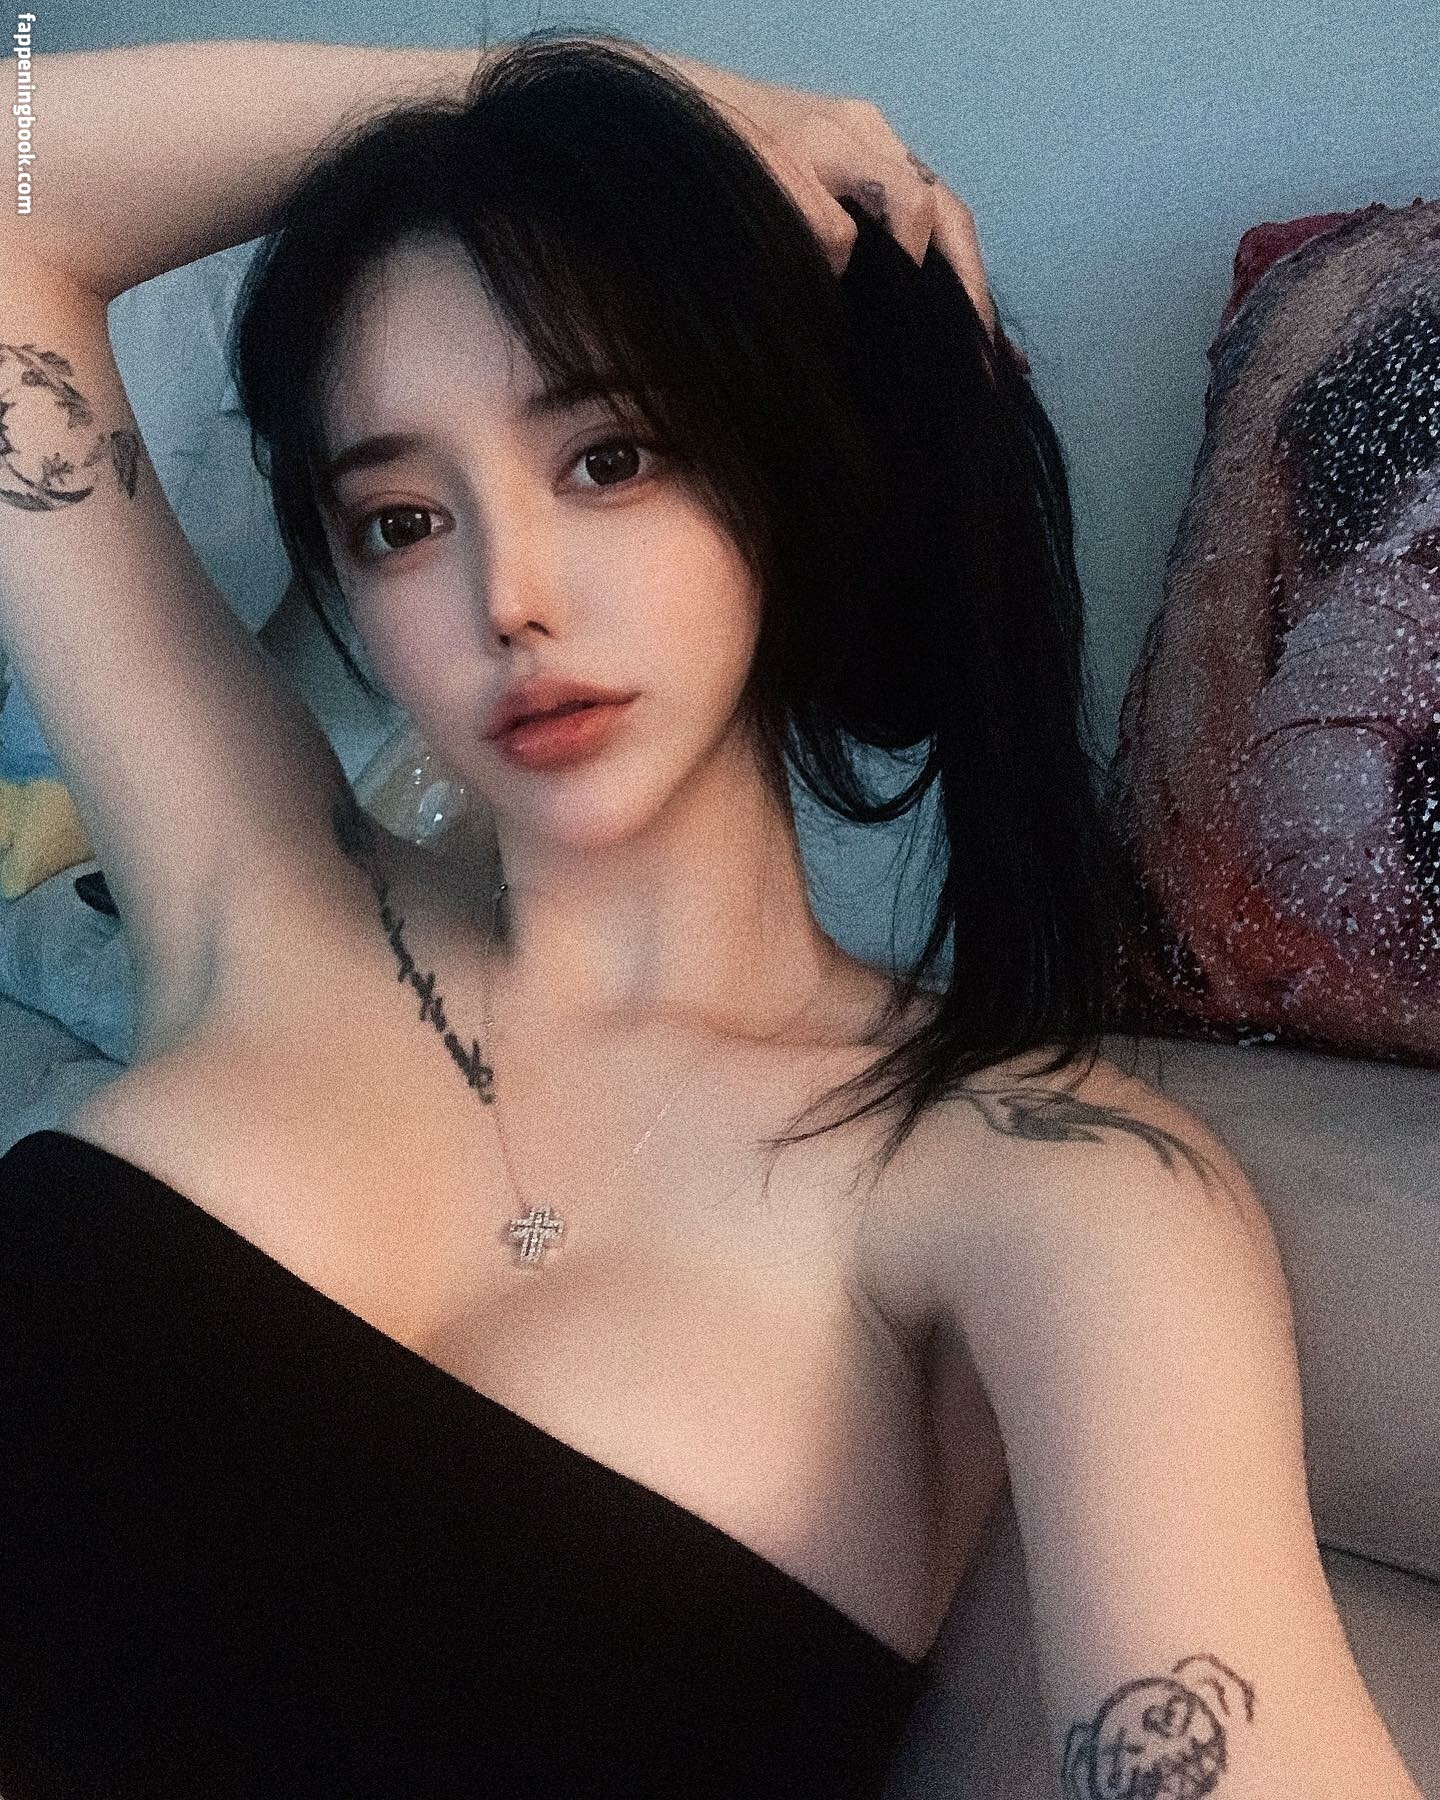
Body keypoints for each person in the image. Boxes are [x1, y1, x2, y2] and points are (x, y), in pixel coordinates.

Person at [2, 25, 1420, 1800]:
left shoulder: (1040, 1180)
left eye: (609, 459)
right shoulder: (266, 890)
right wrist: (592, 99)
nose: (510, 595)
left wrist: (619, 148)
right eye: (400, 520)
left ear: (788, 480)